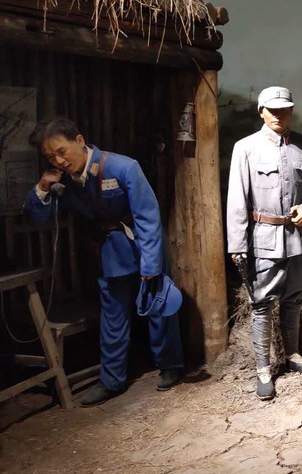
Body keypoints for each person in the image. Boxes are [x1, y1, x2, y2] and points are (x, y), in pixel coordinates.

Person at [24, 117, 184, 407]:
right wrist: (43, 186)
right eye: (50, 157)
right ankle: (111, 381)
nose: (59, 161)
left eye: (62, 152)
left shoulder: (123, 167)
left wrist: (151, 265)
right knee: (113, 316)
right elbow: (37, 218)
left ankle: (170, 365)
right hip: (109, 251)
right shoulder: (63, 181)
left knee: (157, 305)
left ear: (79, 140)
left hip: (142, 243)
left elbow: (147, 217)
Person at [226, 85, 302, 401]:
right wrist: (237, 245)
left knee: (294, 299)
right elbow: (237, 200)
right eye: (273, 110)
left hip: (296, 238)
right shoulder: (246, 148)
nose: (279, 115)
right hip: (262, 239)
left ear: (291, 111)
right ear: (262, 112)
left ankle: (292, 355)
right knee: (261, 304)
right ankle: (263, 370)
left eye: (284, 109)